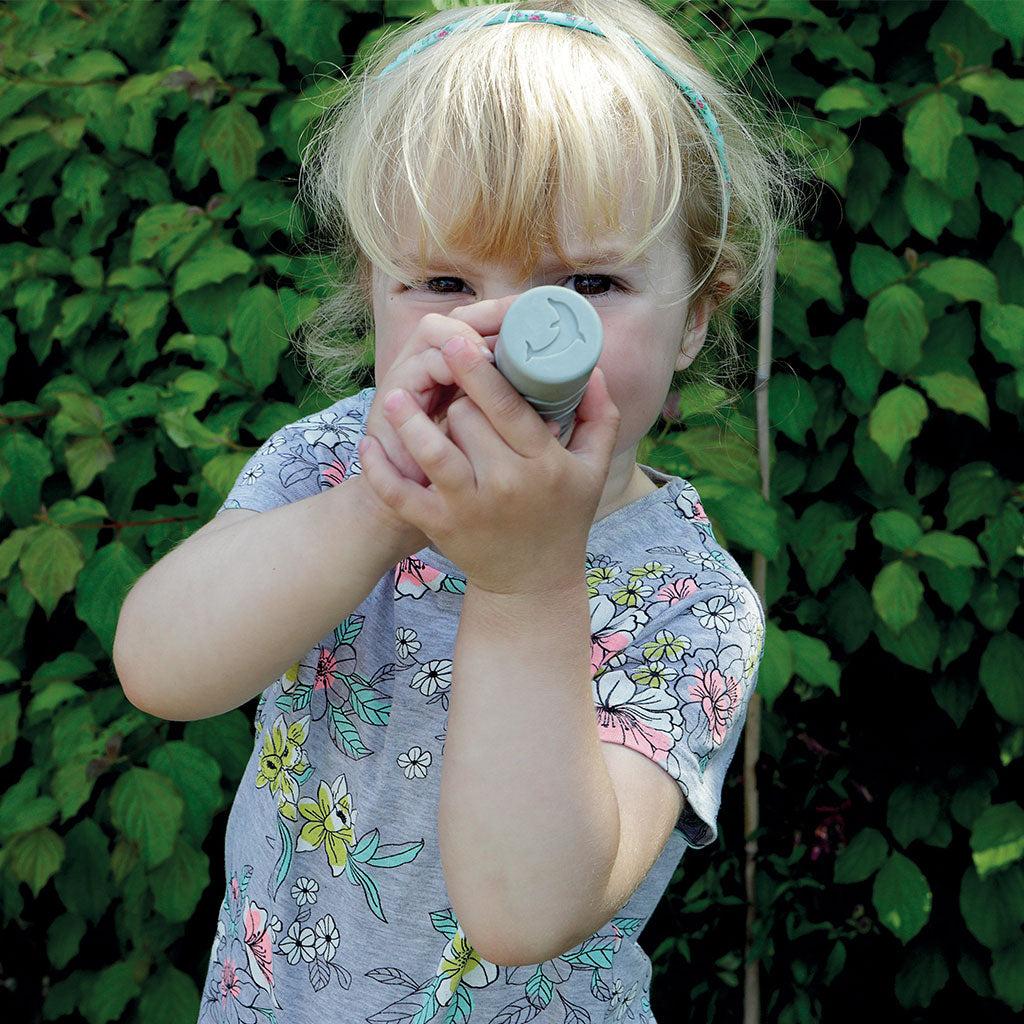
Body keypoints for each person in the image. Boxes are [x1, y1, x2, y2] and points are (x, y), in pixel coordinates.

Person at [114, 2, 794, 1021]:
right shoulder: (331, 462)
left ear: (696, 315)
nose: (511, 334)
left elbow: (525, 913)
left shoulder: (685, 602)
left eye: (588, 282)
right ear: (373, 294)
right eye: (442, 280)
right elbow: (161, 669)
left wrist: (528, 581)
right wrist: (379, 508)